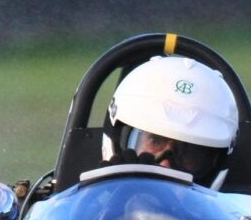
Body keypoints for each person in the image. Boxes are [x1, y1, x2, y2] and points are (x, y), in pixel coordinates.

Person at [101, 55, 239, 189]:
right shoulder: (91, 200)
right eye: (155, 142)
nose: (165, 166)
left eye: (187, 151)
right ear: (118, 140)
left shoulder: (242, 204)